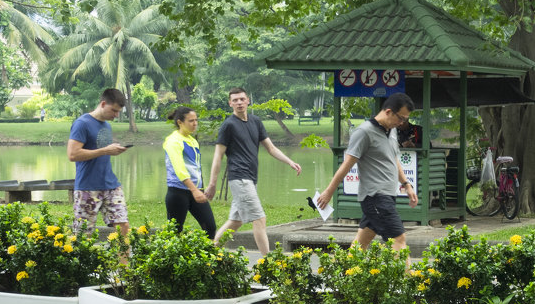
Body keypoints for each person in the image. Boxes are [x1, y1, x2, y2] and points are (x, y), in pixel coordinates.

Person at [316, 93, 418, 259]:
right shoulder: (364, 132)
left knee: (362, 241)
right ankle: (408, 282)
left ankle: (347, 277)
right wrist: (329, 191)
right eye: (401, 118)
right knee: (398, 237)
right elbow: (346, 165)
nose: (402, 123)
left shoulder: (391, 132)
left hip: (388, 194)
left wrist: (406, 184)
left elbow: (393, 159)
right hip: (375, 196)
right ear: (389, 112)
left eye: (405, 120)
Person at [204, 88, 301, 255]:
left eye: (242, 99)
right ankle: (268, 263)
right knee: (259, 218)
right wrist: (212, 184)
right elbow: (218, 156)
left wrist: (290, 161)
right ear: (230, 103)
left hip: (250, 178)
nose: (239, 103)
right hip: (239, 178)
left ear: (248, 100)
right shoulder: (228, 126)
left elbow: (270, 148)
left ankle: (208, 252)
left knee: (236, 220)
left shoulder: (256, 122)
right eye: (235, 100)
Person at [67, 87, 130, 239]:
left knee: (123, 226)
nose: (115, 115)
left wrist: (113, 149)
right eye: (113, 111)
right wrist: (105, 151)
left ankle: (123, 263)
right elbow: (72, 154)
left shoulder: (107, 125)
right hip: (88, 187)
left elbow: (100, 149)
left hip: (110, 184)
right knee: (83, 234)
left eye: (118, 112)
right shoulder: (82, 123)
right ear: (103, 104)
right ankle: (82, 262)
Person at [163, 106, 216, 238]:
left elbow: (196, 168)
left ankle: (207, 258)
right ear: (180, 122)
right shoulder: (173, 141)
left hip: (195, 191)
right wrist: (194, 190)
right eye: (191, 121)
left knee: (209, 226)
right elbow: (180, 169)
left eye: (196, 120)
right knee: (175, 232)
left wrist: (201, 189)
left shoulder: (192, 141)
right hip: (178, 192)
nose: (195, 124)